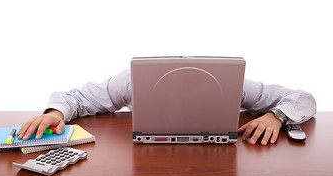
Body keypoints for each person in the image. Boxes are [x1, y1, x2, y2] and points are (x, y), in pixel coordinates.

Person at [18, 68, 317, 145]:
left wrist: (275, 116)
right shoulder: (131, 80)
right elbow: (78, 97)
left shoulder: (235, 83)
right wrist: (56, 112)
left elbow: (303, 97)